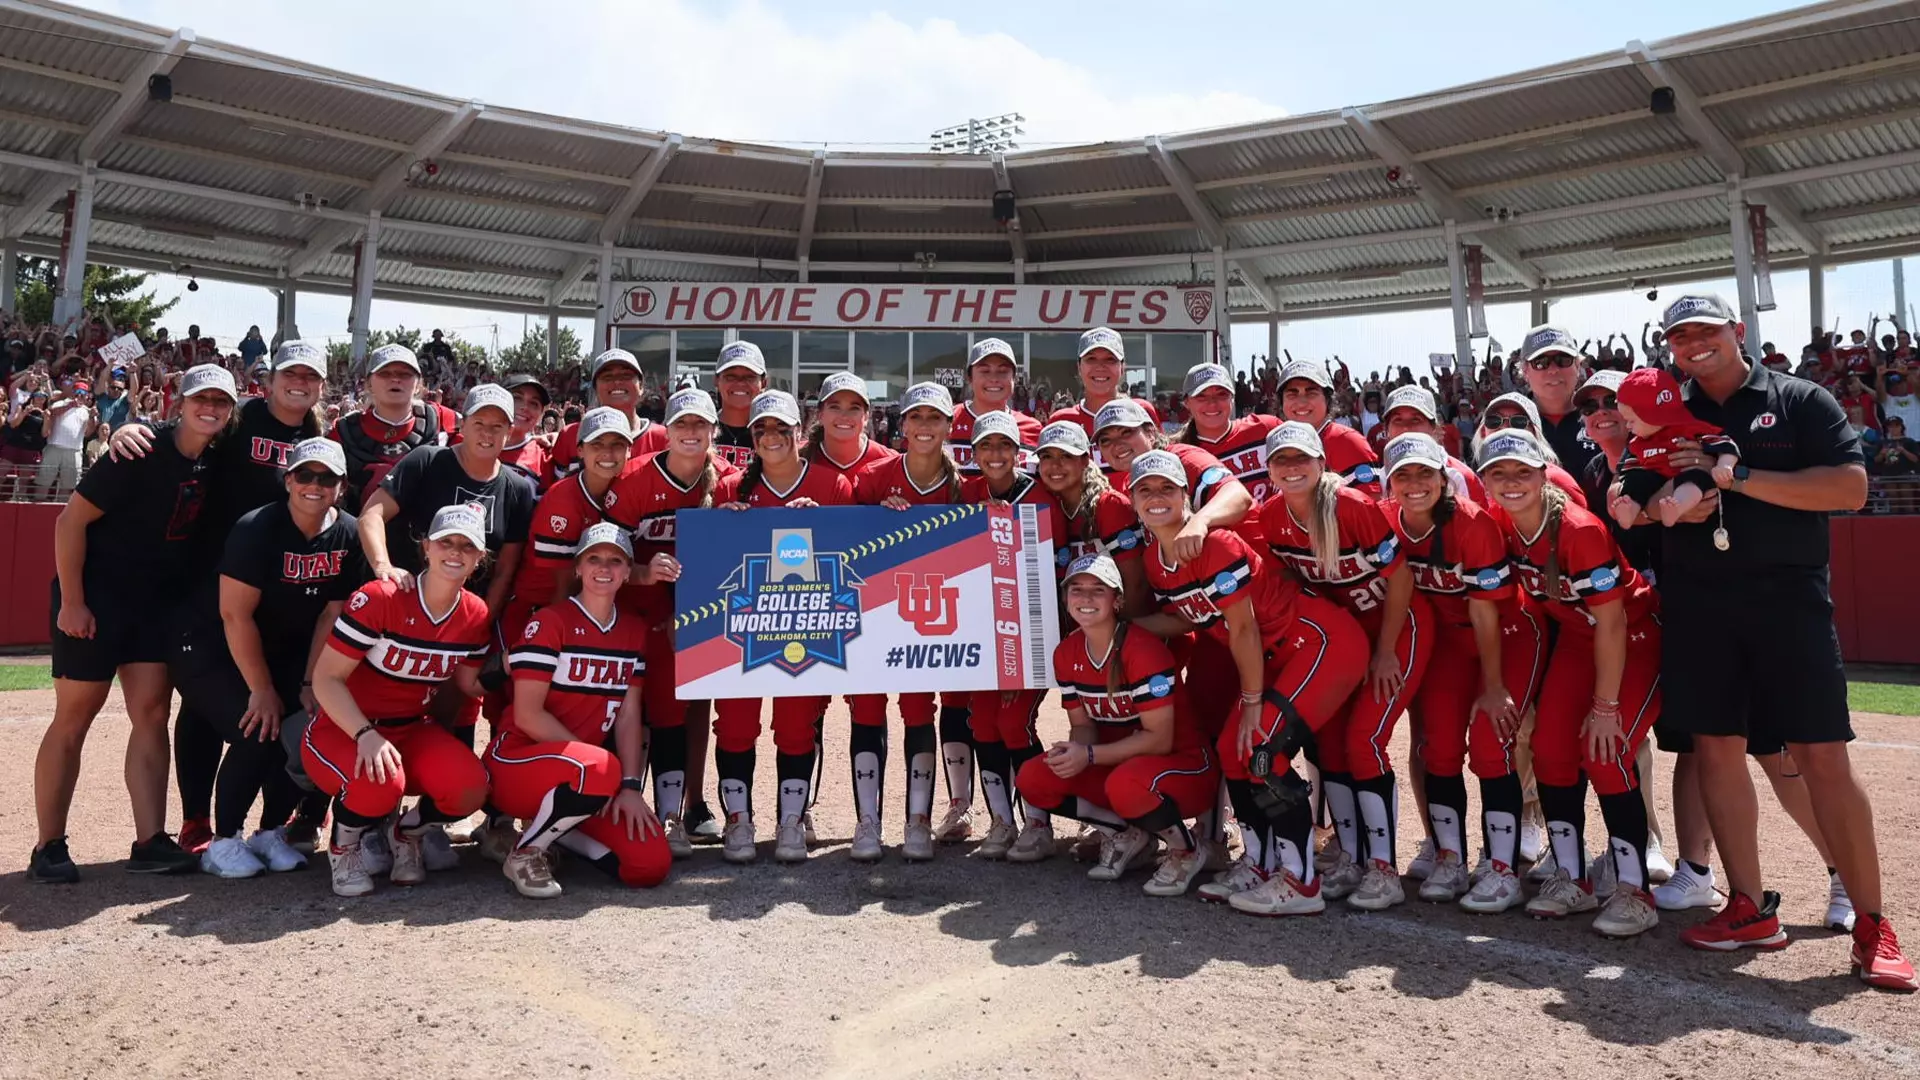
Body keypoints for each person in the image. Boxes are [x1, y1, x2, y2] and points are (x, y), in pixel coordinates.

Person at [1648, 293, 1913, 989]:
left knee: (1823, 757)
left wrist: (1740, 478)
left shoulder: (1801, 400)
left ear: (1739, 332)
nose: (1695, 344)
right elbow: (1640, 483)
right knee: (1716, 750)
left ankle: (1872, 924)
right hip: (1699, 603)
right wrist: (1666, 501)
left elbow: (1851, 488)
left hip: (1788, 603)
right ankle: (1748, 906)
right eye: (1681, 336)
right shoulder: (1666, 408)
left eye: (1707, 330)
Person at [112, 340, 332, 853]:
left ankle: (272, 825)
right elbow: (190, 432)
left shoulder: (318, 436)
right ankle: (195, 819)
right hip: (212, 582)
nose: (299, 382)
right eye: (289, 372)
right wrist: (132, 427)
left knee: (271, 706)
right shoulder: (241, 419)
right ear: (269, 378)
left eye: (310, 375)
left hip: (280, 596)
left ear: (322, 386)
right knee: (204, 708)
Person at [1123, 449, 1365, 912]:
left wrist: (1252, 698)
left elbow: (1245, 627)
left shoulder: (1217, 544)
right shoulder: (1155, 559)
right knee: (1234, 752)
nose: (1156, 498)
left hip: (1318, 642)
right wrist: (1123, 628)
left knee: (1259, 749)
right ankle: (1259, 862)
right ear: (1133, 500)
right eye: (1145, 490)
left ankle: (1301, 882)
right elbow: (1188, 618)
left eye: (1167, 488)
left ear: (1186, 496)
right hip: (1277, 656)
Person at [29, 364, 236, 883]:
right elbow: (68, 521)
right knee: (76, 714)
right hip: (97, 598)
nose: (210, 408)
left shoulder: (215, 460)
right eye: (200, 398)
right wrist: (72, 601)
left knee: (150, 711)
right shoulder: (137, 450)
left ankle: (149, 841)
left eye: (221, 401)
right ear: (179, 403)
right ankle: (48, 845)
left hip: (154, 604)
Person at [1477, 430, 1662, 937]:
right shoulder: (1499, 524)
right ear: (1485, 480)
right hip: (1581, 641)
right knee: (1551, 749)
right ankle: (1572, 877)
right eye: (1498, 473)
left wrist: (1605, 707)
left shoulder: (1577, 529)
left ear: (1543, 474)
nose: (1511, 483)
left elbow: (1615, 623)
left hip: (1633, 637)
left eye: (1521, 471)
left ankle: (1634, 889)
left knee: (1604, 749)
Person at [1259, 421, 1432, 908]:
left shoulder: (1350, 505)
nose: (1292, 468)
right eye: (1281, 460)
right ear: (1269, 469)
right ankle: (1353, 856)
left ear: (1321, 463)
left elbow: (1400, 582)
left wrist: (1383, 652)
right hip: (1349, 636)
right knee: (1330, 743)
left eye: (1301, 459)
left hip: (1398, 627)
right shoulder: (1271, 518)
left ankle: (1384, 869)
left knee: (1365, 739)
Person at [175, 438, 362, 877]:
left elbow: (331, 615)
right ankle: (224, 841)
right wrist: (260, 689)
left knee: (302, 726)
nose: (314, 485)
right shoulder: (256, 528)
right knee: (259, 727)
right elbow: (234, 615)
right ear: (288, 479)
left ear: (341, 486)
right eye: (305, 475)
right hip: (212, 643)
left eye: (327, 478)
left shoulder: (348, 532)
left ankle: (270, 831)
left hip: (286, 648)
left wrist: (311, 684)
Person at [1379, 433, 1545, 909]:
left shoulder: (1472, 524)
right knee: (1439, 748)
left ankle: (1502, 866)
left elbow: (1486, 613)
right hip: (1449, 641)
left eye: (1424, 473)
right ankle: (1450, 857)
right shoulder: (1386, 520)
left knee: (1493, 744)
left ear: (1443, 477)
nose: (1414, 484)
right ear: (1389, 482)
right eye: (1403, 474)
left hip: (1506, 635)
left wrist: (1494, 688)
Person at [302, 504, 493, 897]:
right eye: (446, 542)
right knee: (380, 784)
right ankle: (345, 844)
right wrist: (365, 734)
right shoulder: (381, 597)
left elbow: (465, 684)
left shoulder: (475, 614)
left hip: (410, 728)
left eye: (467, 546)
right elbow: (326, 678)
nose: (455, 552)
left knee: (470, 787)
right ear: (426, 547)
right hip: (345, 728)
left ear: (479, 559)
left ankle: (406, 831)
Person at [1016, 553, 1221, 896]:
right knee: (1034, 776)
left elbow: (1159, 740)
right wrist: (1076, 751)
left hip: (1183, 767)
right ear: (1065, 598)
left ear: (1117, 600)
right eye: (1076, 589)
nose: (1086, 598)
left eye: (1098, 589)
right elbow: (1083, 727)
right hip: (1120, 765)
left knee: (1125, 785)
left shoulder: (1143, 650)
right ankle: (1126, 835)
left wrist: (1091, 755)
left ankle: (1187, 849)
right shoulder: (1066, 653)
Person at [485, 523, 668, 897]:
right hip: (518, 762)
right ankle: (526, 851)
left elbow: (629, 715)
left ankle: (558, 835)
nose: (604, 567)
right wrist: (595, 769)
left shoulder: (633, 630)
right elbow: (528, 716)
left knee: (648, 865)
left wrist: (630, 786)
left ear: (628, 572)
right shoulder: (549, 622)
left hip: (584, 777)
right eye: (594, 558)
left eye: (616, 560)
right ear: (578, 568)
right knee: (600, 768)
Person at [711, 389, 852, 863]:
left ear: (800, 431)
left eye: (780, 428)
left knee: (796, 725)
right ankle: (739, 821)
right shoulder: (731, 488)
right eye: (761, 429)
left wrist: (826, 527)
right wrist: (723, 523)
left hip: (807, 626)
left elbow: (857, 561)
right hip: (747, 626)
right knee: (734, 725)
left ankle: (791, 819)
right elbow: (713, 568)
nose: (770, 436)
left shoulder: (834, 486)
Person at [604, 388, 735, 855]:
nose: (691, 432)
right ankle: (633, 805)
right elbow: (603, 554)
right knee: (635, 709)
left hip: (696, 611)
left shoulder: (728, 483)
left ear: (713, 430)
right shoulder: (635, 480)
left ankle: (682, 808)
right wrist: (641, 573)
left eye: (701, 425)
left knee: (687, 707)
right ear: (667, 430)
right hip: (638, 607)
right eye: (682, 424)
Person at [851, 382, 970, 859]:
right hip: (876, 612)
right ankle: (868, 821)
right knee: (866, 707)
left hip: (930, 615)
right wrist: (874, 515)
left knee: (919, 708)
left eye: (934, 418)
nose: (924, 426)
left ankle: (918, 819)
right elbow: (840, 535)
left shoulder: (966, 482)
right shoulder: (874, 477)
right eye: (915, 417)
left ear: (949, 425)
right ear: (901, 425)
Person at [961, 411, 1068, 858]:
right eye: (986, 446)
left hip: (1035, 632)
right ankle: (1001, 821)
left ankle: (1038, 824)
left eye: (1004, 446)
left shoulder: (1043, 498)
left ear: (1018, 451)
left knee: (1012, 721)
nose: (996, 455)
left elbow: (1046, 581)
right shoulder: (968, 492)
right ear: (974, 452)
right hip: (988, 631)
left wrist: (1024, 656)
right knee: (982, 722)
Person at [330, 345, 458, 513]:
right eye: (385, 373)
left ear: (419, 384)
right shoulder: (343, 430)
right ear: (368, 383)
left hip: (427, 534)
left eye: (405, 374)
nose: (395, 380)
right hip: (357, 531)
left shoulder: (443, 420)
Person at [1610, 367, 1742, 529]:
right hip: (1651, 477)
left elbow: (1725, 444)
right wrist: (1630, 486)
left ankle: (1678, 505)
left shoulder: (1689, 428)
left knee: (1697, 478)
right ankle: (1630, 510)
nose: (1628, 426)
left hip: (1685, 474)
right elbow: (1628, 471)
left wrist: (1724, 465)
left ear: (1652, 416)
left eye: (1631, 420)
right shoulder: (1638, 442)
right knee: (1636, 481)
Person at [1033, 421, 1147, 604]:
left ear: (1085, 460)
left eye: (1066, 456)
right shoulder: (1049, 506)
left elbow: (1137, 585)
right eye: (1047, 456)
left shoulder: (1109, 505)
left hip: (1115, 622)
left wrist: (1117, 632)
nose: (1055, 465)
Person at [545, 349, 667, 483]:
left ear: (641, 386)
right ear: (595, 389)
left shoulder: (663, 438)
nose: (617, 382)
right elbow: (556, 491)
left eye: (626, 376)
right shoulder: (570, 435)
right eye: (607, 377)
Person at [1048, 327, 1161, 467]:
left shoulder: (1141, 410)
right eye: (1091, 359)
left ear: (1122, 367)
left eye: (1110, 359)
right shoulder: (1062, 420)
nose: (1100, 367)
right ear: (1079, 367)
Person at [1175, 362, 1280, 503]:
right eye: (1201, 396)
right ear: (1187, 402)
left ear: (1232, 397)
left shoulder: (1266, 429)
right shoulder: (1178, 454)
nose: (1212, 403)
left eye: (1221, 395)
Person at [1274, 359, 1380, 495]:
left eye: (1311, 393)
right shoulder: (1277, 446)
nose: (1301, 402)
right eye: (1292, 394)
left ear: (1328, 399)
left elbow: (1371, 505)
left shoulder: (1348, 442)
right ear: (1282, 402)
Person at [946, 338, 1042, 473]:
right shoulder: (946, 421)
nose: (994, 378)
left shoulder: (1033, 429)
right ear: (969, 378)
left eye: (1003, 371)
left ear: (1014, 378)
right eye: (985, 371)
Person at [804, 371, 897, 479]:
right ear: (820, 414)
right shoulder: (797, 459)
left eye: (854, 408)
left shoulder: (890, 461)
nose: (844, 416)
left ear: (866, 416)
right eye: (835, 407)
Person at [711, 341, 769, 469]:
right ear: (716, 380)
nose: (740, 383)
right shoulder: (701, 430)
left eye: (749, 377)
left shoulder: (773, 434)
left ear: (764, 383)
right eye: (730, 377)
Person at [498, 373, 552, 487]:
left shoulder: (546, 457)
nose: (525, 407)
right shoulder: (466, 442)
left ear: (541, 414)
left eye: (534, 403)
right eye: (517, 398)